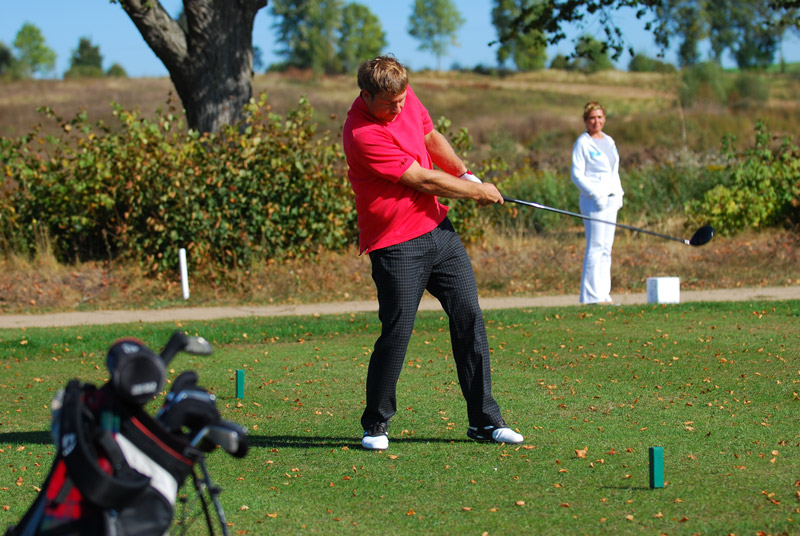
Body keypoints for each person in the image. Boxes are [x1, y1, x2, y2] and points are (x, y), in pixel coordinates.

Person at [342, 55, 524, 450]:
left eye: (403, 98)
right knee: (399, 330)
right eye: (390, 103)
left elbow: (430, 137)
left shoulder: (403, 96)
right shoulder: (361, 133)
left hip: (438, 232)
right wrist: (477, 192)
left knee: (469, 317)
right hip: (395, 244)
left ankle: (484, 421)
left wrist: (466, 175)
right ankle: (376, 424)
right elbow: (421, 178)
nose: (399, 107)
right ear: (366, 96)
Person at [571, 101, 624, 305]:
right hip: (593, 202)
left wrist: (617, 195)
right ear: (586, 120)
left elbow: (613, 171)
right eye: (592, 118)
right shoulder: (583, 143)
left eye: (600, 117)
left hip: (611, 200)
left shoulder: (609, 141)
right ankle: (591, 296)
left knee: (606, 249)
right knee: (595, 246)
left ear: (605, 119)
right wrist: (595, 193)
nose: (596, 121)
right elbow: (576, 174)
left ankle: (604, 294)